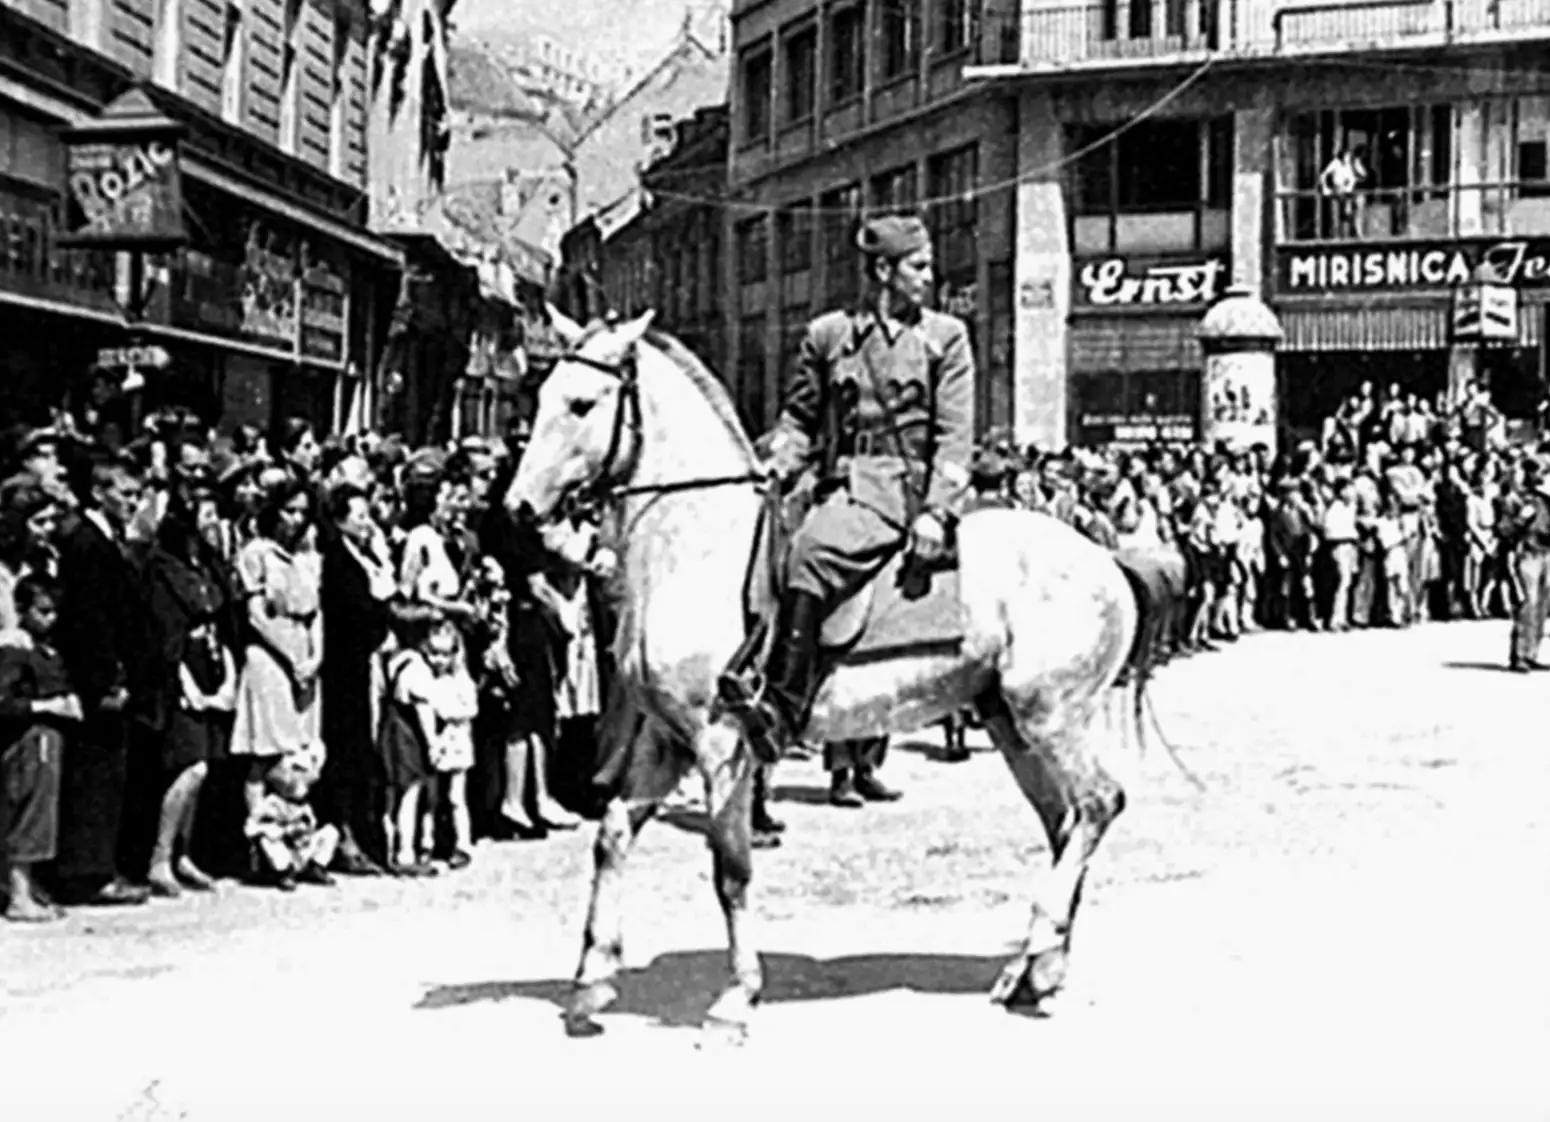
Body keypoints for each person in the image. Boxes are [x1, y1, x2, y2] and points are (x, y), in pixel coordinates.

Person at [718, 214, 975, 764]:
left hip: (896, 492)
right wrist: (779, 459)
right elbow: (799, 418)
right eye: (919, 266)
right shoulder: (828, 335)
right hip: (831, 484)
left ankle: (782, 709)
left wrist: (935, 512)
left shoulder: (945, 339)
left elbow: (955, 438)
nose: (929, 277)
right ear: (883, 270)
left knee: (809, 554)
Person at [0, 576, 81, 921]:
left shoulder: (45, 648)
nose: (51, 619)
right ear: (21, 610)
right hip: (30, 739)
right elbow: (4, 702)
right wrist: (47, 706)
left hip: (50, 738)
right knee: (28, 813)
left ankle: (26, 887)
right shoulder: (14, 651)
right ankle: (18, 895)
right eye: (42, 611)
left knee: (42, 813)